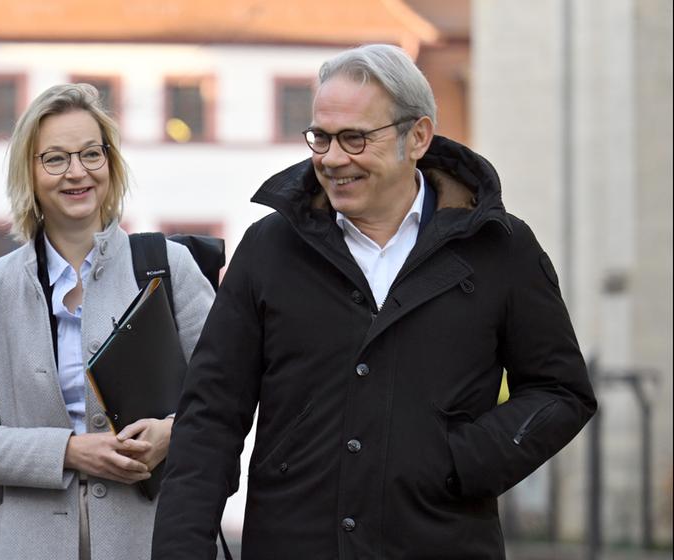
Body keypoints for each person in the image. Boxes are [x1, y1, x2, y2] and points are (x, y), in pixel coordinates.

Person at [153, 44, 597, 559]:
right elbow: (210, 417)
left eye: (355, 138)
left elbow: (560, 391)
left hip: (440, 543)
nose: (332, 159)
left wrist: (464, 461)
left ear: (418, 137)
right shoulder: (269, 249)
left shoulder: (500, 248)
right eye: (321, 137)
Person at [0, 83, 214, 560]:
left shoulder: (171, 267)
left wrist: (171, 433)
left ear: (110, 162)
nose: (77, 172)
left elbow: (225, 397)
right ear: (28, 172)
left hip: (152, 541)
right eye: (55, 159)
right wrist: (69, 451)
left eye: (91, 153)